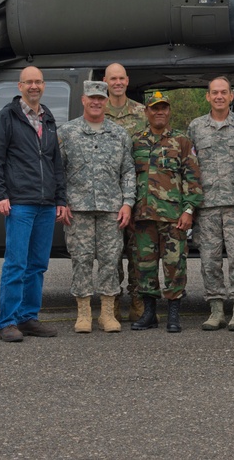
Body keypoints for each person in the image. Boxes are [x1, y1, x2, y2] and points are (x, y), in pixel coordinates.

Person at [0, 66, 68, 343]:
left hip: (46, 204)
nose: (34, 86)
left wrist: (60, 198)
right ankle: (7, 321)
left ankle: (28, 317)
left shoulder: (48, 118)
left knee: (37, 265)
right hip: (20, 203)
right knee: (16, 264)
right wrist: (0, 195)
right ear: (19, 86)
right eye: (28, 82)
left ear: (43, 85)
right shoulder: (6, 117)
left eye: (38, 82)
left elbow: (55, 163)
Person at [57, 80, 135, 333]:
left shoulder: (119, 134)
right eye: (92, 97)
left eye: (100, 98)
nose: (96, 102)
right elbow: (57, 170)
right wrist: (61, 201)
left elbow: (128, 171)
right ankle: (83, 314)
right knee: (81, 260)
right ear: (83, 99)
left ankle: (107, 314)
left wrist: (127, 203)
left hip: (111, 208)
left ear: (106, 101)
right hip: (77, 209)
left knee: (111, 261)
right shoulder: (66, 132)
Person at [188, 76, 234, 331]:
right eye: (214, 92)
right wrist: (191, 204)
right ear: (208, 96)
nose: (219, 96)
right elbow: (190, 167)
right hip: (206, 207)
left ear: (231, 97)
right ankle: (216, 310)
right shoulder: (196, 127)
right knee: (209, 260)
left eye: (224, 92)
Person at [130, 92, 202, 332]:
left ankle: (173, 314)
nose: (159, 112)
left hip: (173, 217)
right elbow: (129, 178)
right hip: (143, 216)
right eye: (154, 108)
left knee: (174, 265)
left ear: (169, 111)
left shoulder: (181, 141)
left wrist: (189, 210)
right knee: (145, 266)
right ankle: (149, 314)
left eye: (163, 108)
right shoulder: (136, 141)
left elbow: (193, 178)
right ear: (146, 112)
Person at [102, 62, 148, 322]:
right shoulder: (97, 110)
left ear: (127, 81)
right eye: (113, 78)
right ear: (106, 81)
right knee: (111, 252)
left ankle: (138, 300)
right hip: (108, 192)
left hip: (138, 192)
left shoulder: (142, 113)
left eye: (121, 78)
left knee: (137, 250)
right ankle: (114, 299)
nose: (117, 83)